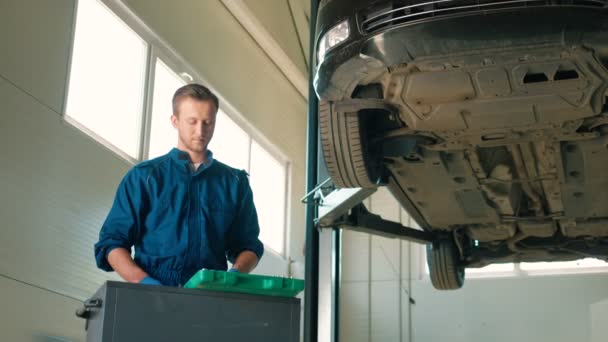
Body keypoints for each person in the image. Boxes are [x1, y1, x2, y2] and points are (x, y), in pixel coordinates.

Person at [94, 83, 264, 286]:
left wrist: (234, 275)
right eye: (192, 122)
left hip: (210, 295)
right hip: (151, 296)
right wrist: (145, 283)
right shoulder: (145, 177)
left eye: (208, 122)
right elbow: (112, 243)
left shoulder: (234, 183)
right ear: (175, 121)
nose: (200, 131)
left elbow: (249, 246)